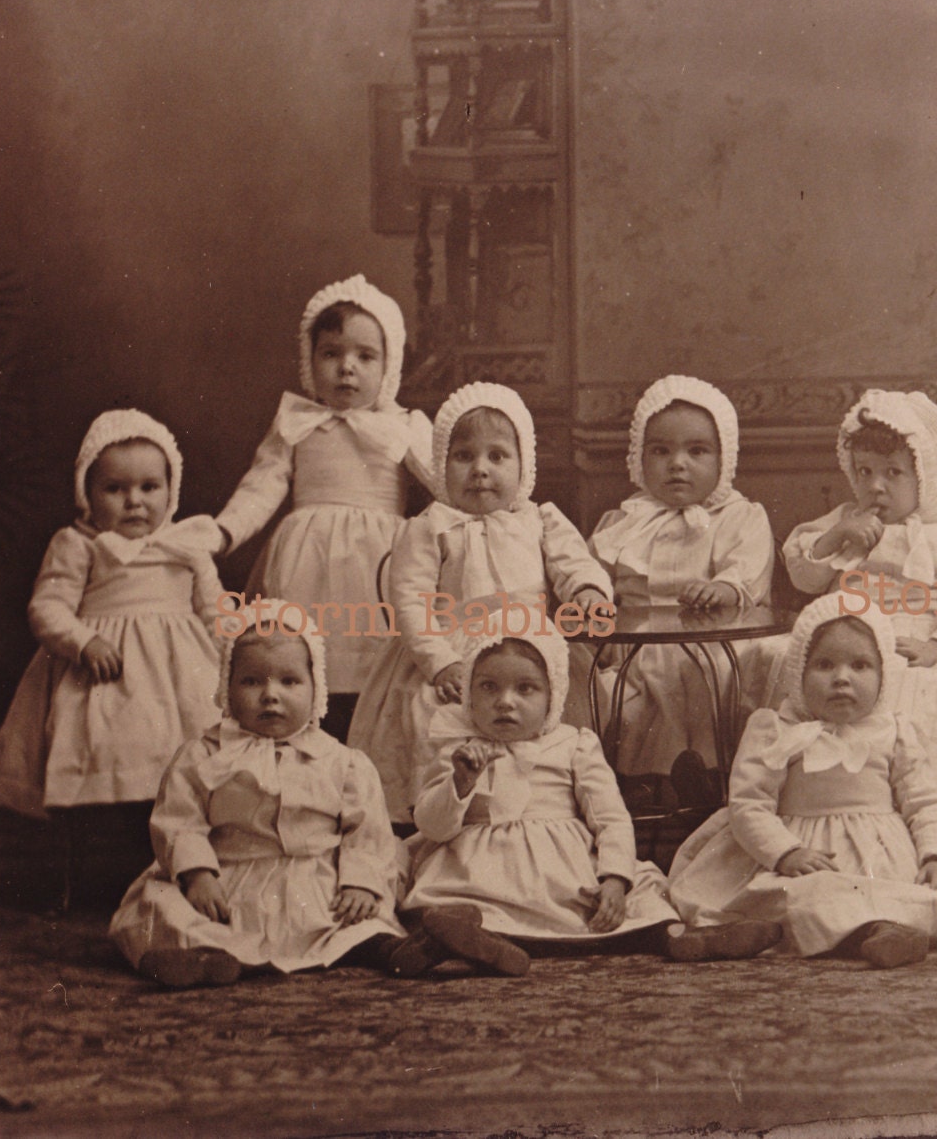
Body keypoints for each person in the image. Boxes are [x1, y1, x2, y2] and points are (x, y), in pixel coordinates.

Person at [397, 623, 781, 973]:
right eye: (488, 687)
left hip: (563, 868)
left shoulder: (572, 744)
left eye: (525, 688)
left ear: (553, 695)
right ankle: (479, 942)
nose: (505, 701)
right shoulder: (458, 750)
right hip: (482, 869)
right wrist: (460, 784)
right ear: (468, 694)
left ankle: (680, 937)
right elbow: (432, 827)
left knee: (643, 896)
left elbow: (611, 817)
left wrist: (614, 877)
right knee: (456, 904)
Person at [109, 602, 434, 988]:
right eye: (251, 682)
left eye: (289, 681)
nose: (270, 695)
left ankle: (389, 950)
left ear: (315, 688)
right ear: (227, 688)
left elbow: (367, 832)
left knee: (360, 917)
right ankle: (206, 956)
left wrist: (360, 882)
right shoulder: (202, 756)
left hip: (315, 882)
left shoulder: (343, 762)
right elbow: (180, 822)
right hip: (226, 881)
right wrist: (197, 874)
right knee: (159, 908)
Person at [669, 594, 937, 969]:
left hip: (881, 853)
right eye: (824, 665)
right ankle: (762, 932)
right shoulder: (776, 729)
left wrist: (936, 856)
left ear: (884, 675)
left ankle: (887, 932)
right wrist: (784, 852)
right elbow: (748, 805)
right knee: (813, 891)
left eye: (860, 665)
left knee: (920, 888)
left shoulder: (893, 731)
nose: (842, 678)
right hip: (802, 850)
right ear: (798, 672)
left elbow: (925, 800)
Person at [346, 381, 613, 821]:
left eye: (498, 456)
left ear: (523, 465)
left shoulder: (541, 520)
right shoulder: (429, 526)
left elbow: (575, 563)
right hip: (452, 649)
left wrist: (587, 590)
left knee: (564, 707)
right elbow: (411, 603)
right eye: (464, 456)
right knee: (432, 712)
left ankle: (545, 810)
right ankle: (449, 810)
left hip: (530, 648)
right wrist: (440, 662)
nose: (480, 470)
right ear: (441, 463)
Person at [0, 411, 222, 853]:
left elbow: (216, 612)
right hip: (106, 675)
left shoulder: (187, 546)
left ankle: (176, 849)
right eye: (115, 489)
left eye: (149, 487)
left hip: (181, 676)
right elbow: (47, 607)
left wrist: (233, 652)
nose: (134, 501)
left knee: (188, 757)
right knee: (109, 747)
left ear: (170, 490)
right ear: (87, 494)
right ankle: (104, 845)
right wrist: (84, 641)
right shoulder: (80, 544)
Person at [214, 275, 432, 738]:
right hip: (306, 564)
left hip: (379, 566)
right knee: (299, 666)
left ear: (389, 365)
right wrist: (224, 531)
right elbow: (262, 485)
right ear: (310, 361)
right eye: (331, 354)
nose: (347, 368)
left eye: (365, 356)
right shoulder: (296, 422)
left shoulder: (403, 425)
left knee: (377, 672)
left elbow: (444, 481)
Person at [781, 389, 937, 827]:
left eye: (893, 473)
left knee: (915, 682)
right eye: (864, 471)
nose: (875, 486)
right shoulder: (847, 520)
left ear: (925, 476)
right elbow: (803, 576)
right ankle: (818, 789)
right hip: (847, 633)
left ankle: (917, 799)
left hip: (918, 635)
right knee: (783, 661)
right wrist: (837, 536)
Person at [586, 375, 773, 798]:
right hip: (635, 648)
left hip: (711, 643)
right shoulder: (623, 521)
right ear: (639, 457)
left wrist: (725, 588)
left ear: (724, 458)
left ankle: (706, 776)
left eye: (697, 450)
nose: (677, 463)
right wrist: (598, 607)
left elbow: (749, 570)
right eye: (660, 451)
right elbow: (590, 574)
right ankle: (635, 783)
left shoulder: (739, 517)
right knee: (612, 691)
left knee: (712, 681)